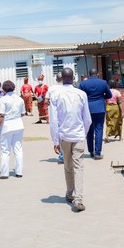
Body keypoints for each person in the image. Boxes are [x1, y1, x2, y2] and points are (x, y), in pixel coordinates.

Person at [49, 67, 92, 212]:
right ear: (73, 78)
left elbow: (54, 120)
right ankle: (78, 198)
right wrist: (83, 133)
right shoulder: (81, 94)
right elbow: (87, 119)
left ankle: (70, 193)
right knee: (79, 166)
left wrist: (55, 140)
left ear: (61, 78)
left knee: (68, 166)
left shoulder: (56, 95)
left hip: (64, 136)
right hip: (79, 135)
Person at [0, 80, 25, 179]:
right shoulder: (20, 99)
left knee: (5, 151)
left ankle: (4, 173)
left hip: (7, 126)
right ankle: (19, 171)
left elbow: (1, 116)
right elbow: (23, 113)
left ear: (3, 89)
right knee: (18, 149)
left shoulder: (3, 99)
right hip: (18, 124)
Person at [79, 68, 112, 160]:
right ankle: (98, 153)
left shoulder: (83, 83)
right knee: (99, 130)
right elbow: (109, 95)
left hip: (87, 109)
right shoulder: (103, 82)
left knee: (89, 130)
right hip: (100, 108)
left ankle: (91, 151)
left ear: (89, 74)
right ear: (97, 74)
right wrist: (101, 97)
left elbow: (79, 96)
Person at [45, 72, 64, 164]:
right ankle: (68, 155)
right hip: (66, 115)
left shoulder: (51, 88)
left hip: (55, 116)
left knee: (58, 134)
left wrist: (50, 104)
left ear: (56, 79)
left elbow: (46, 101)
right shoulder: (67, 88)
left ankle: (61, 155)